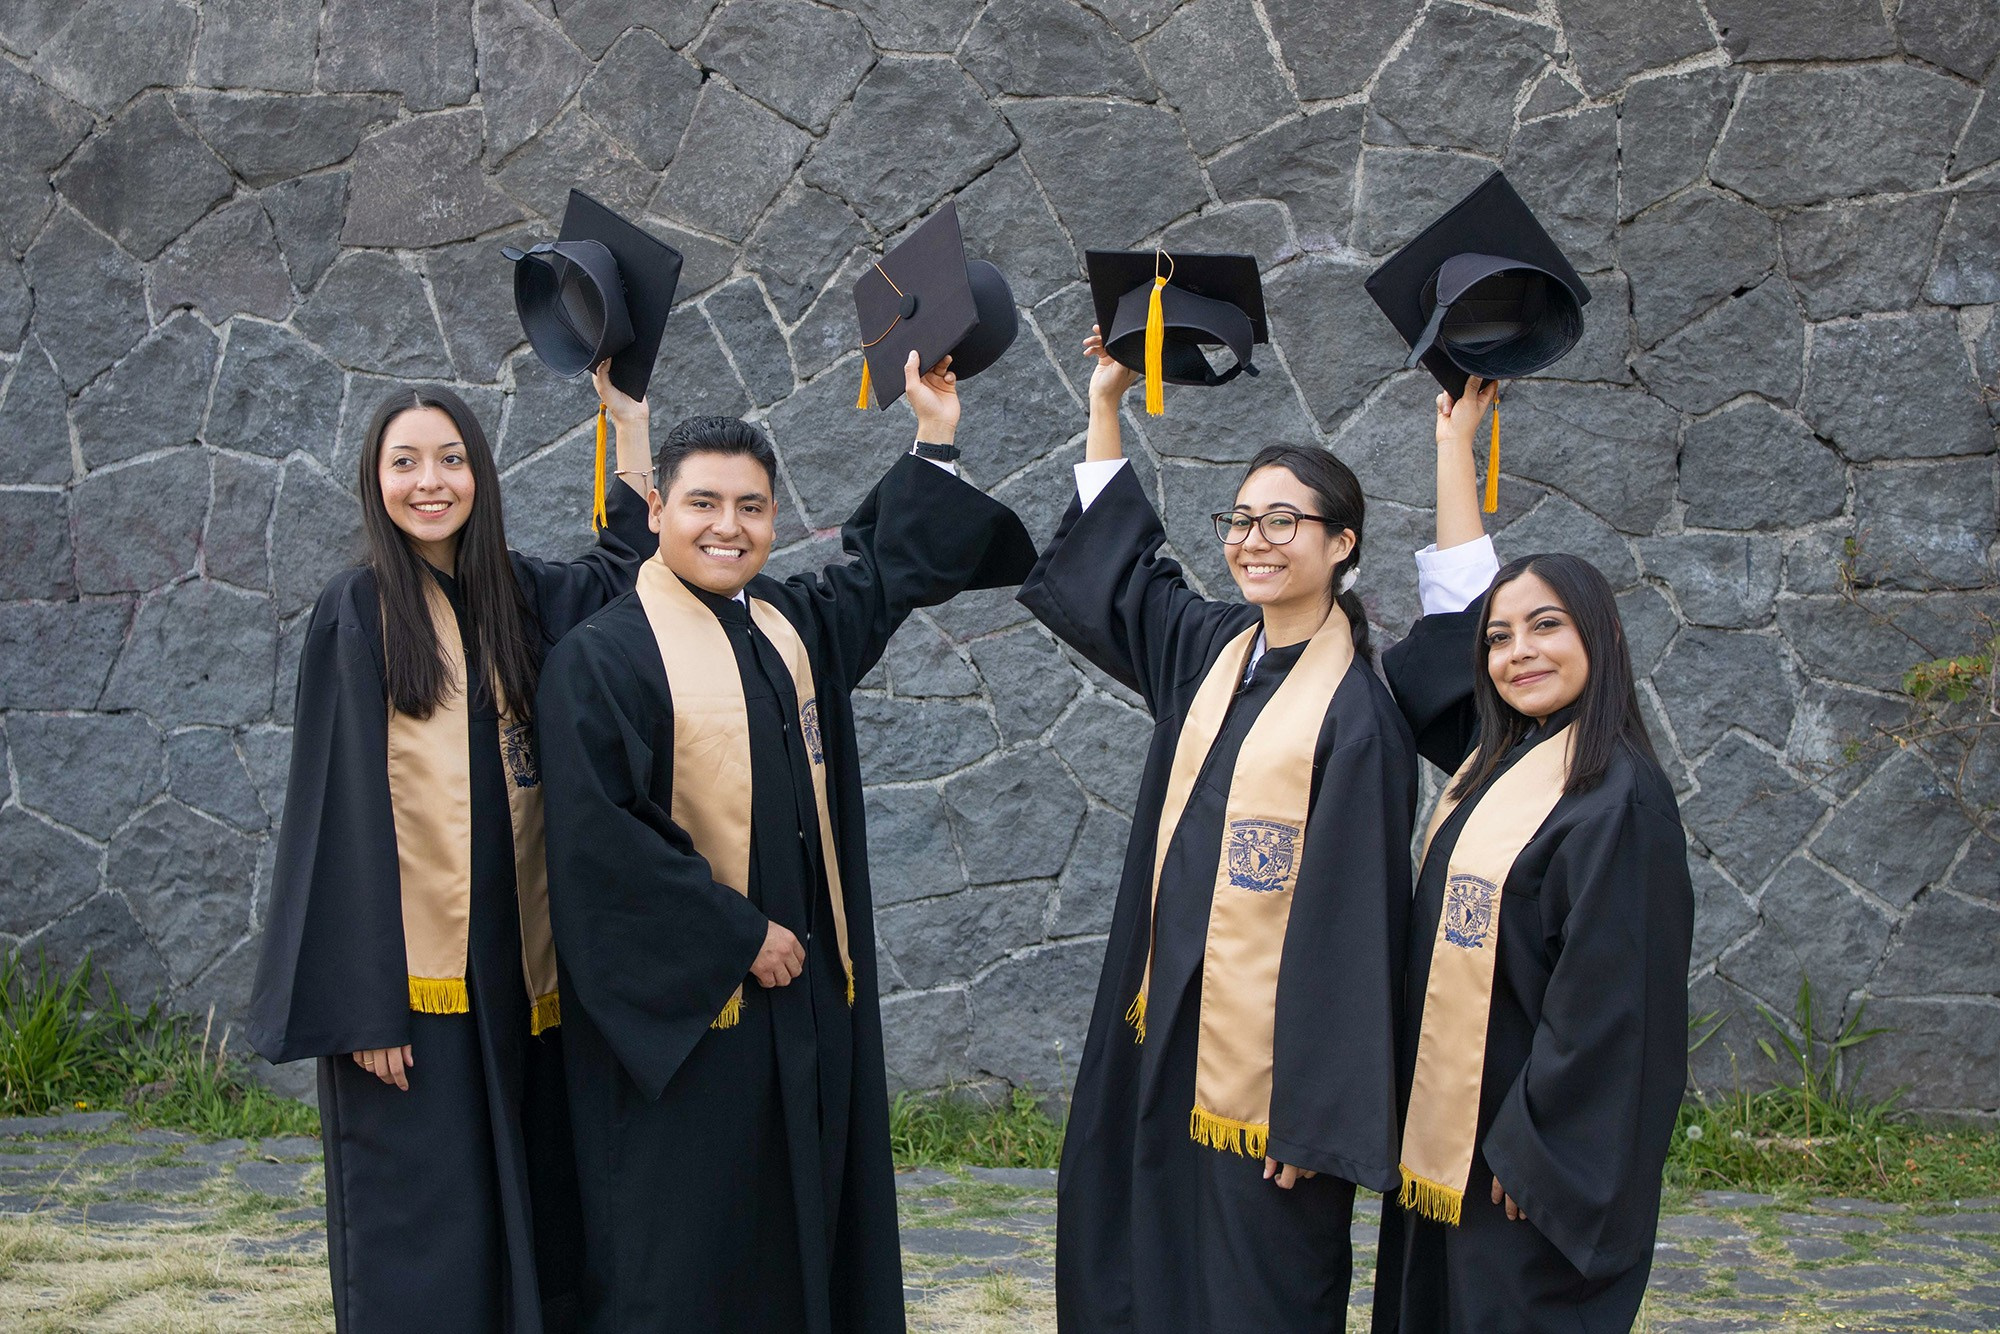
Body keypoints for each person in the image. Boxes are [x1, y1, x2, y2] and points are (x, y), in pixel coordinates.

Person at [534, 350, 1036, 1334]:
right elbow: (599, 842)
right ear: (656, 512)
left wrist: (934, 433)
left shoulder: (788, 625)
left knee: (798, 1247)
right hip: (688, 1030)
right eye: (704, 503)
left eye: (752, 506)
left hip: (800, 1015)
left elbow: (886, 572)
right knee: (687, 1256)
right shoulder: (601, 655)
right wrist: (733, 933)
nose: (729, 526)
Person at [1019, 327, 1418, 1333]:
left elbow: (1354, 924)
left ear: (1342, 543)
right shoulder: (1210, 648)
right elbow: (1124, 572)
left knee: (1250, 1288)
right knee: (1136, 1265)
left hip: (1266, 1079)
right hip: (1157, 1032)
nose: (1252, 538)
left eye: (1284, 521)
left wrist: (1317, 1116)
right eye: (1239, 518)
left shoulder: (1357, 713)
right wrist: (1105, 402)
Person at [248, 370, 656, 1332]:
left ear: (480, 473)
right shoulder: (358, 610)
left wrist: (630, 424)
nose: (430, 481)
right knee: (424, 1220)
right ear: (374, 481)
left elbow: (623, 572)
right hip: (411, 990)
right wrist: (363, 1006)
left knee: (524, 1199)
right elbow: (334, 816)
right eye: (405, 462)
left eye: (451, 458)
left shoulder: (515, 596)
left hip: (515, 970)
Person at [1370, 376, 1695, 1333]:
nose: (1519, 653)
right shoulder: (1499, 766)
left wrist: (1537, 1153)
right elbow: (1464, 599)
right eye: (1503, 640)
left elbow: (1612, 1007)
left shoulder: (1617, 798)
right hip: (1450, 1144)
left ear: (1598, 635)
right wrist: (1452, 451)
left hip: (1525, 1162)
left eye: (1548, 627)